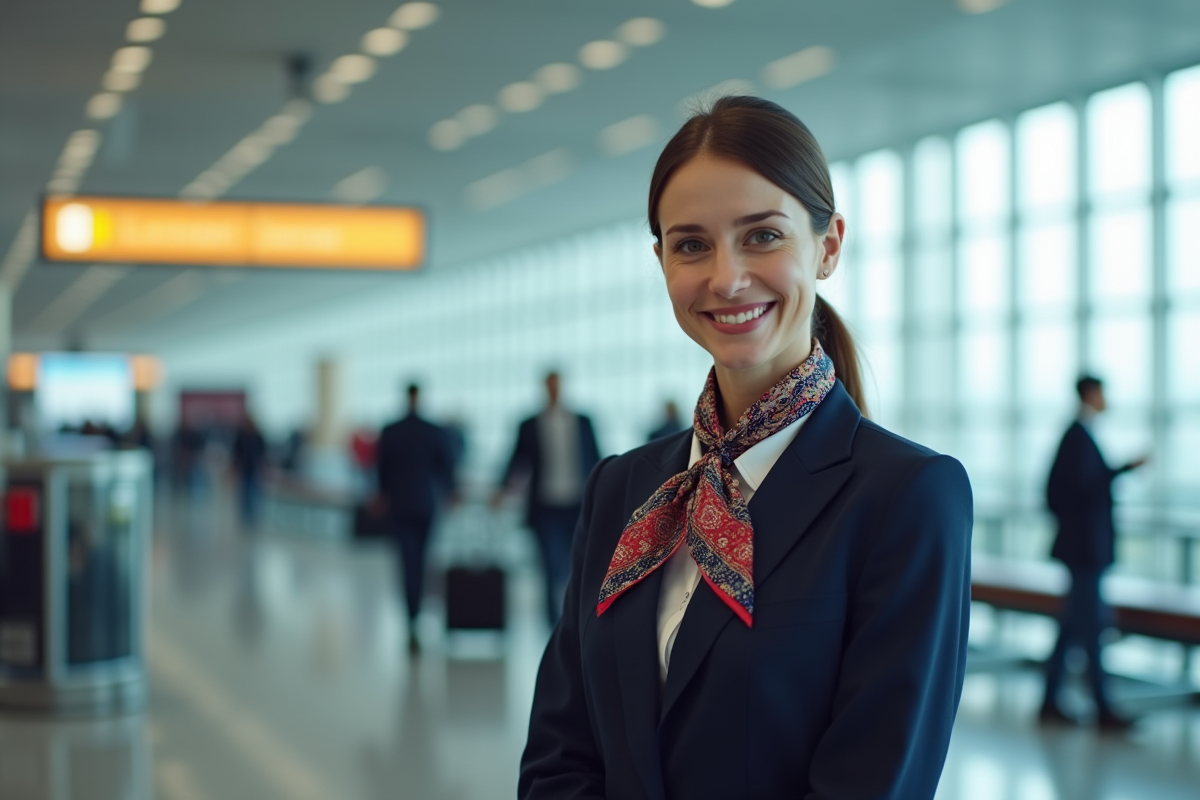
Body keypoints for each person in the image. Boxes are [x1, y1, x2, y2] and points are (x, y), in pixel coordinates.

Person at [519, 97, 973, 800]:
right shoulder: (623, 489)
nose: (726, 278)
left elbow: (872, 781)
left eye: (762, 236)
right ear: (661, 261)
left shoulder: (906, 497)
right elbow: (559, 753)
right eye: (691, 245)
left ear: (828, 246)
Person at [1041, 375, 1148, 731]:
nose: (1106, 400)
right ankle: (1103, 708)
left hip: (1083, 549)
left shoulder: (1077, 436)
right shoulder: (1077, 437)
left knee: (1073, 626)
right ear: (1091, 394)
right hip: (1084, 551)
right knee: (1092, 628)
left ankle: (1050, 701)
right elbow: (1079, 488)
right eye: (1103, 393)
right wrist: (1123, 470)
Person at [494, 372, 601, 626]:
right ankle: (554, 624)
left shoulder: (582, 422)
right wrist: (501, 490)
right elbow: (517, 460)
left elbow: (596, 458)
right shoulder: (530, 424)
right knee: (549, 565)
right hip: (544, 506)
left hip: (577, 504)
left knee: (577, 564)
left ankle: (576, 619)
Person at [377, 382, 459, 653]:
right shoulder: (433, 430)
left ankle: (411, 617)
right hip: (426, 504)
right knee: (422, 561)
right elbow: (446, 467)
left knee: (406, 561)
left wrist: (382, 496)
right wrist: (451, 493)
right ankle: (416, 613)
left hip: (400, 505)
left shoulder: (391, 431)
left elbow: (382, 471)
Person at [230, 413, 268, 530]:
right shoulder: (241, 436)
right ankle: (245, 517)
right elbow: (236, 454)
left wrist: (263, 468)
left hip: (254, 469)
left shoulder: (257, 436)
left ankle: (254, 518)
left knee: (253, 494)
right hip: (244, 469)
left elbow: (262, 453)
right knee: (243, 494)